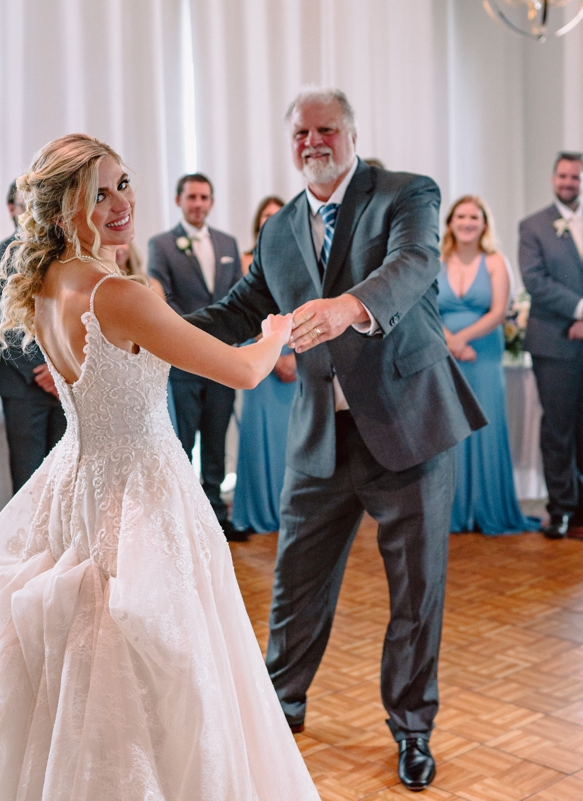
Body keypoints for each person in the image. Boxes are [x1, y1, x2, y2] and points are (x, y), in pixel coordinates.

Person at [0, 134, 316, 800]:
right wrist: (276, 334)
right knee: (150, 656)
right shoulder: (120, 293)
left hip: (78, 481)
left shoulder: (49, 284)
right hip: (140, 486)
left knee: (84, 650)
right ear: (61, 212)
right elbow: (241, 371)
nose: (121, 203)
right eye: (99, 193)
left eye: (123, 185)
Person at [185, 87, 486, 791]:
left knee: (416, 594)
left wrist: (351, 308)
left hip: (410, 430)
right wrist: (151, 332)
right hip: (321, 437)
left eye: (325, 130)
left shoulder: (407, 193)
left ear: (351, 133)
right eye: (300, 133)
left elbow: (413, 266)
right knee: (295, 585)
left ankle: (412, 729)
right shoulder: (281, 227)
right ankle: (280, 704)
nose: (312, 142)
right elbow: (241, 307)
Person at [147, 173, 246, 541]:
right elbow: (162, 300)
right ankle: (186, 520)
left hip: (222, 359)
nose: (198, 203)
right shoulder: (162, 245)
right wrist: (193, 338)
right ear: (179, 201)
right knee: (183, 443)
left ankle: (218, 516)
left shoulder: (227, 243)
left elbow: (237, 296)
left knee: (217, 441)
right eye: (192, 197)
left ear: (212, 201)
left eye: (204, 197)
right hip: (184, 361)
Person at [441, 196, 537, 535]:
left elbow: (498, 312)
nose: (468, 222)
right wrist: (450, 342)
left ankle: (488, 508)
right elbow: (421, 308)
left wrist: (464, 339)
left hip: (483, 352)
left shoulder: (496, 261)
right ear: (450, 222)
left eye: (475, 217)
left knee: (484, 425)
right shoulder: (435, 259)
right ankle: (451, 511)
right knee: (448, 429)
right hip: (443, 355)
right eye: (461, 216)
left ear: (484, 224)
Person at [518, 152, 583, 540]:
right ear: (553, 178)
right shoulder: (532, 226)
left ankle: (582, 503)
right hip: (554, 343)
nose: (568, 182)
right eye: (563, 175)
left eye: (575, 176)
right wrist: (581, 310)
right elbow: (535, 280)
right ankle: (560, 508)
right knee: (559, 428)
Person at [0, 182, 65, 492]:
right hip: (21, 385)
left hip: (65, 380)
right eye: (22, 204)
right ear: (11, 209)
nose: (28, 211)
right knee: (29, 479)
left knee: (66, 475)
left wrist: (59, 368)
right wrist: (39, 371)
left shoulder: (63, 253)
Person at [231, 195, 296, 534]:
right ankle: (257, 509)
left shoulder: (303, 259)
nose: (271, 222)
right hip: (258, 358)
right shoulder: (244, 259)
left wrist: (293, 355)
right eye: (265, 217)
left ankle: (294, 512)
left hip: (296, 358)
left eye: (278, 216)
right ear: (258, 223)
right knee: (258, 437)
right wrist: (270, 352)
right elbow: (244, 312)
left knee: (293, 439)